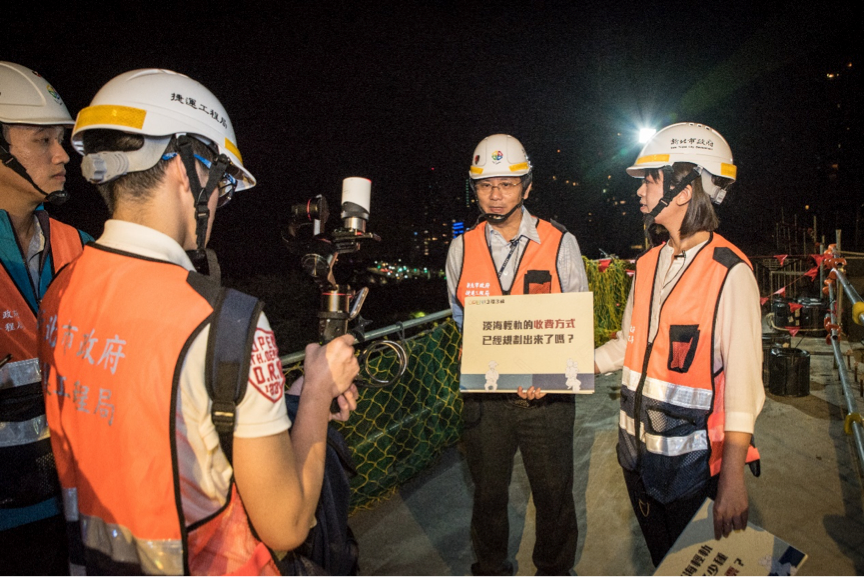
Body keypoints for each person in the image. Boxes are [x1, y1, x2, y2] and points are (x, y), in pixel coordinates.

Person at [37, 68, 359, 576]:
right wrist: (318, 392)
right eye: (222, 183)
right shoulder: (225, 321)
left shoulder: (61, 289)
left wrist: (284, 397)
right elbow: (288, 523)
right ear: (187, 170)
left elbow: (158, 413)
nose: (219, 201)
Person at [594, 122, 763, 566]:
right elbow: (626, 347)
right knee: (662, 564)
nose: (640, 191)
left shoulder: (731, 273)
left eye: (650, 179)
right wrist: (553, 366)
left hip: (694, 474)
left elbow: (745, 388)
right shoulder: (648, 264)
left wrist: (732, 482)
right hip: (638, 461)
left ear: (684, 189)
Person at [446, 134, 588, 577]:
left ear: (527, 187)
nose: (495, 194)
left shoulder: (561, 242)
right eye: (485, 185)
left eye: (507, 184)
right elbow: (461, 318)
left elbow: (575, 322)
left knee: (553, 495)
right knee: (487, 496)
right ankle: (490, 568)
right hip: (486, 402)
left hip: (546, 400)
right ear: (475, 190)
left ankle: (554, 570)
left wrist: (544, 373)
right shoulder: (460, 248)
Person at [1, 61, 92, 576]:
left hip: (78, 507)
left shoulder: (76, 245)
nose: (63, 156)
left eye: (63, 141)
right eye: (43, 141)